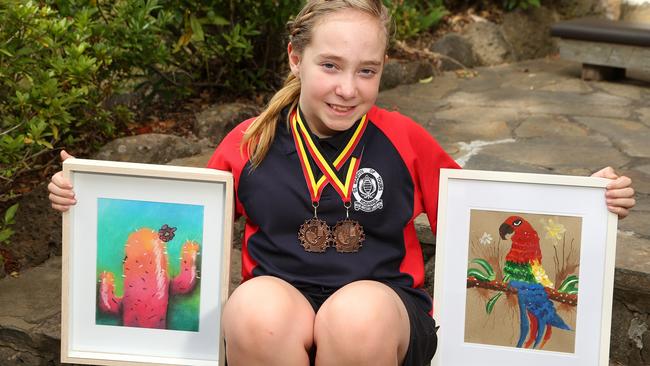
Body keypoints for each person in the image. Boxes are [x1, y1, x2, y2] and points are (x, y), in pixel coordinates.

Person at [48, 1, 636, 365]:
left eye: (367, 71)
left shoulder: (403, 138)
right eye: (330, 65)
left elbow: (484, 213)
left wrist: (586, 200)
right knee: (252, 311)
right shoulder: (248, 141)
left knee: (352, 319)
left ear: (382, 71)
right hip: (280, 302)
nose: (347, 88)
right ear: (295, 59)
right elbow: (175, 220)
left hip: (383, 311)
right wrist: (90, 198)